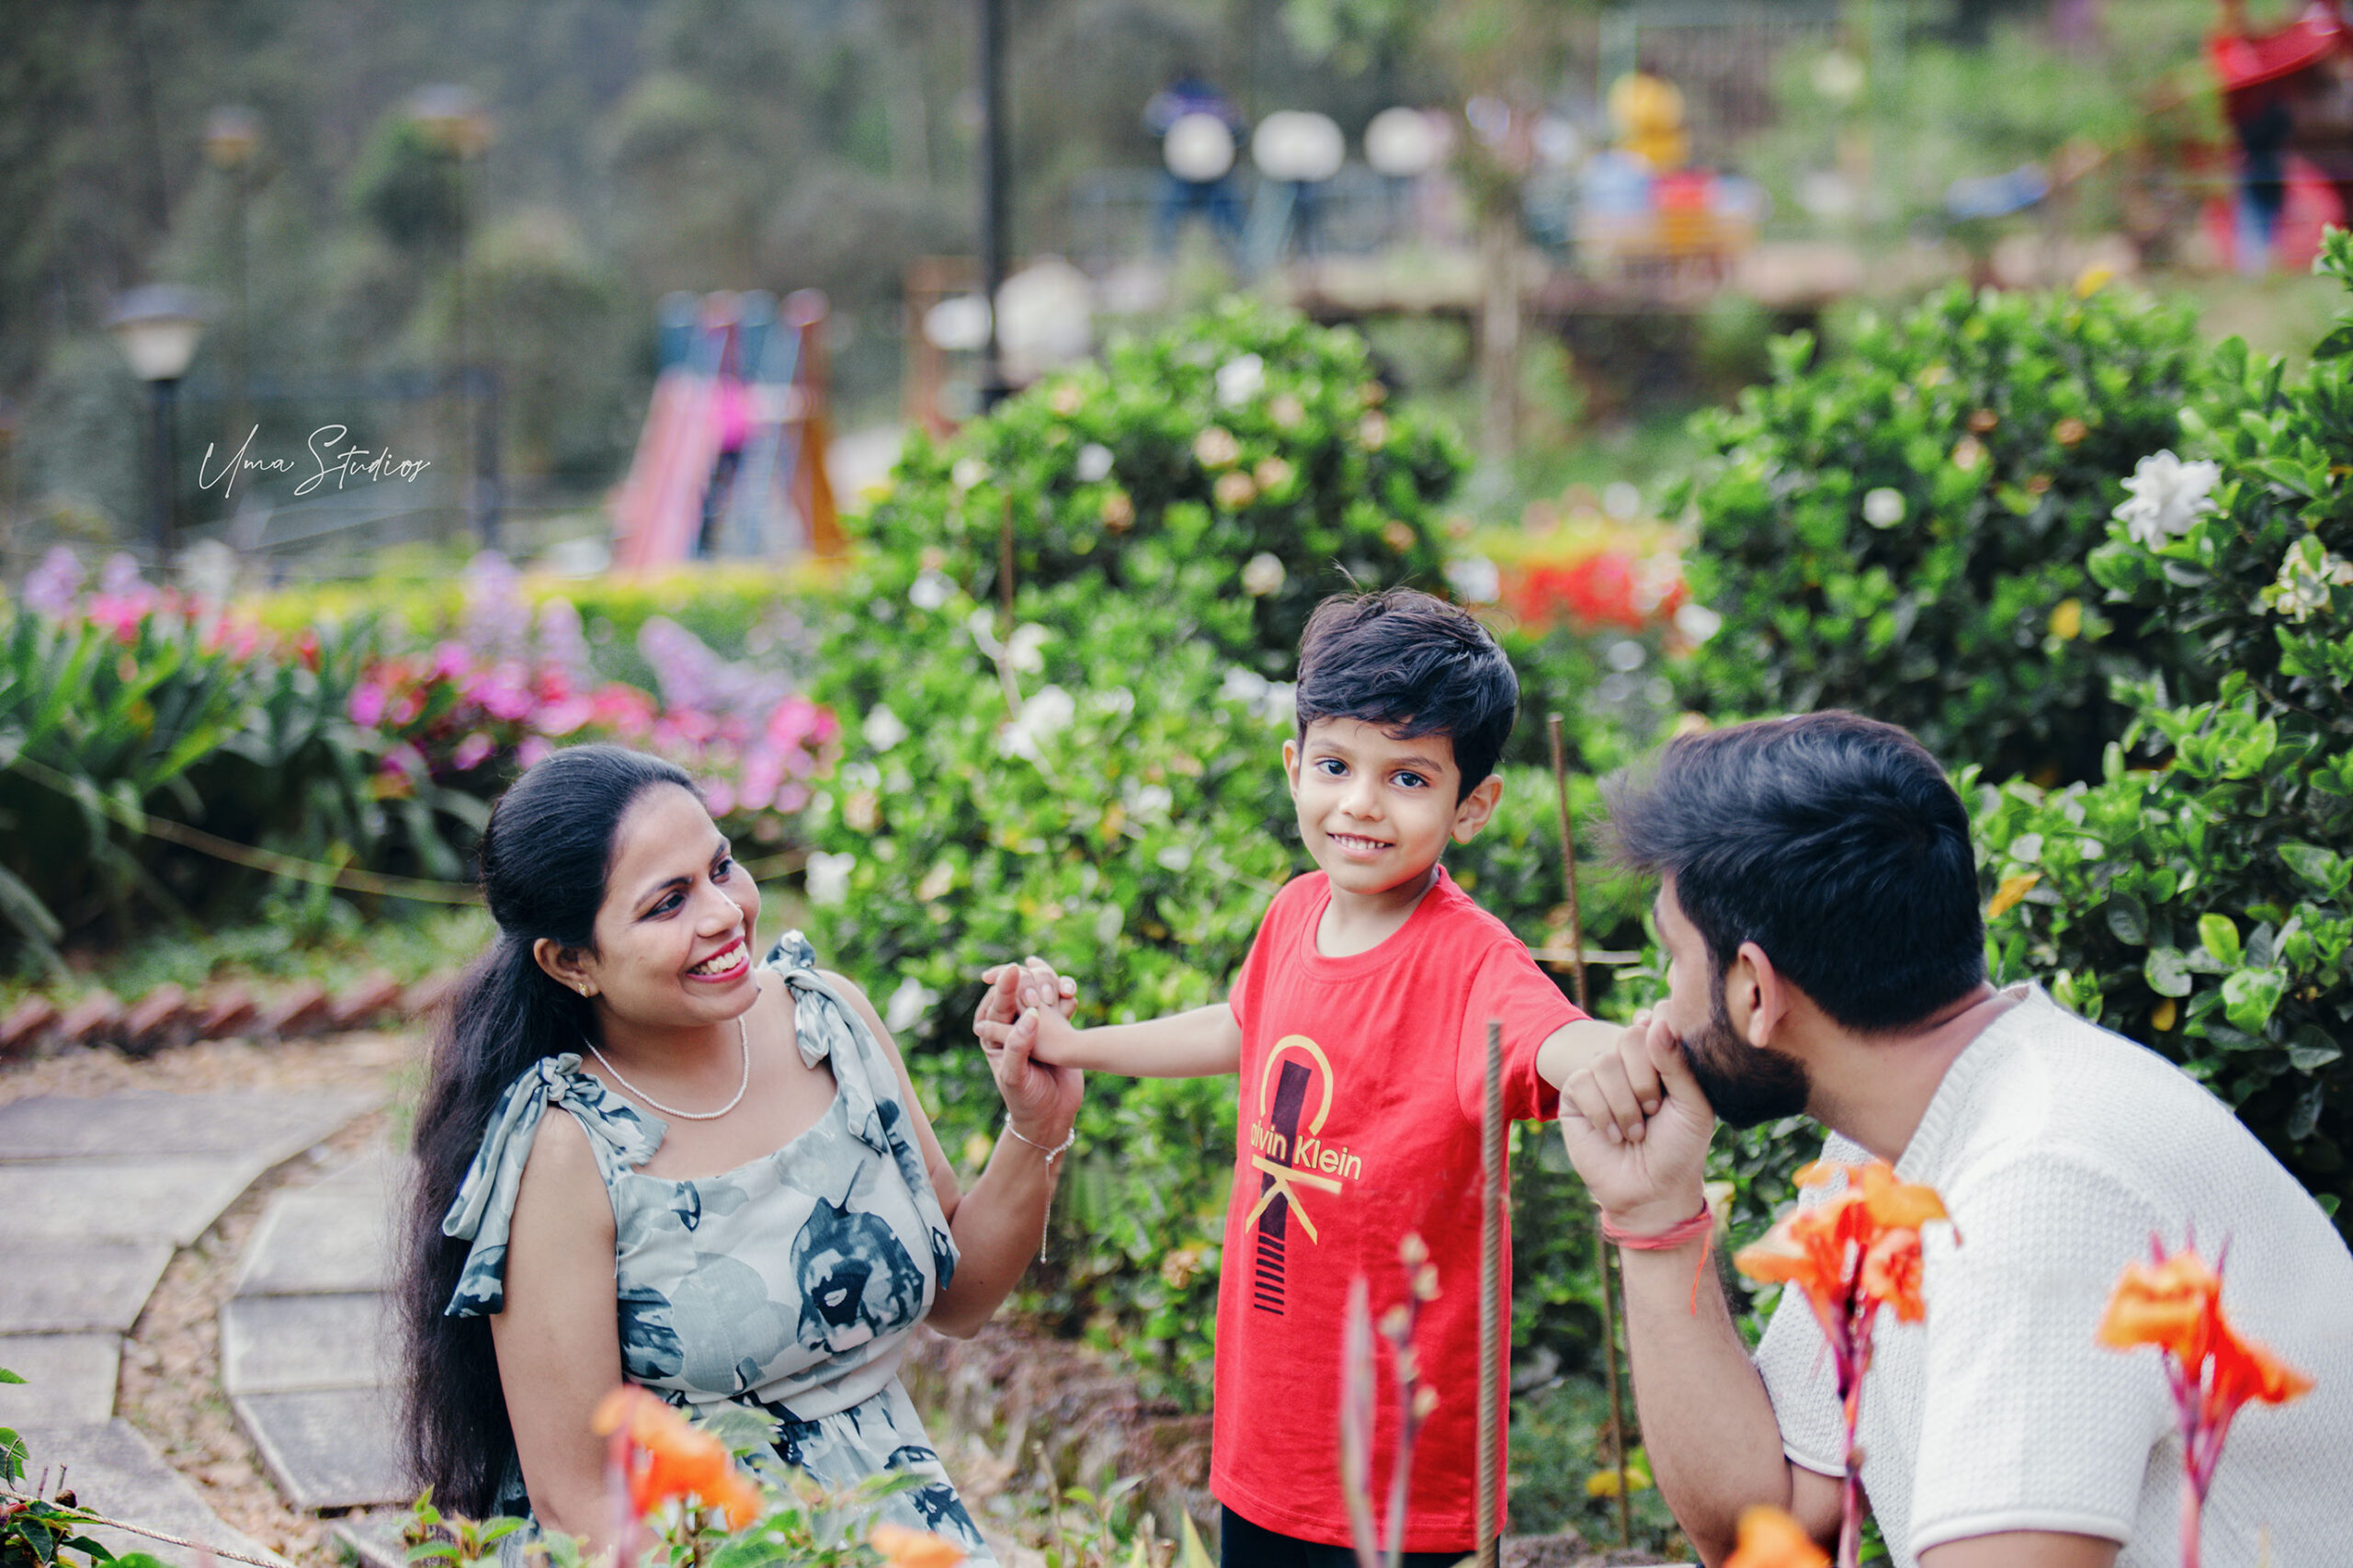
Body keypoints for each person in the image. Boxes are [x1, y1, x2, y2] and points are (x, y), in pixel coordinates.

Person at [1553, 711, 2353, 1567]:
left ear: (1754, 988)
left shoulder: (2041, 1182)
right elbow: (1769, 1518)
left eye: (1673, 957)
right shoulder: (1898, 1146)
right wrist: (1654, 1211)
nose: (1658, 1011)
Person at [980, 589, 1647, 1568]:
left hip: (1402, 1477)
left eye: (1407, 777)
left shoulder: (1472, 963)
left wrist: (1619, 1055)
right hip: (1266, 1436)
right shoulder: (1296, 912)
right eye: (1336, 765)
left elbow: (1556, 1040)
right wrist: (1069, 1045)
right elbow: (1241, 1026)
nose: (1361, 803)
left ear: (1472, 806)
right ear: (1294, 765)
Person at [397, 745, 1080, 1560]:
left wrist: (1036, 1124)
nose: (723, 913)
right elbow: (579, 1499)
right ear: (571, 961)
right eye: (669, 903)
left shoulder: (830, 1025)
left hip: (891, 1527)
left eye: (721, 868)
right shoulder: (568, 1147)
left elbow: (959, 1298)